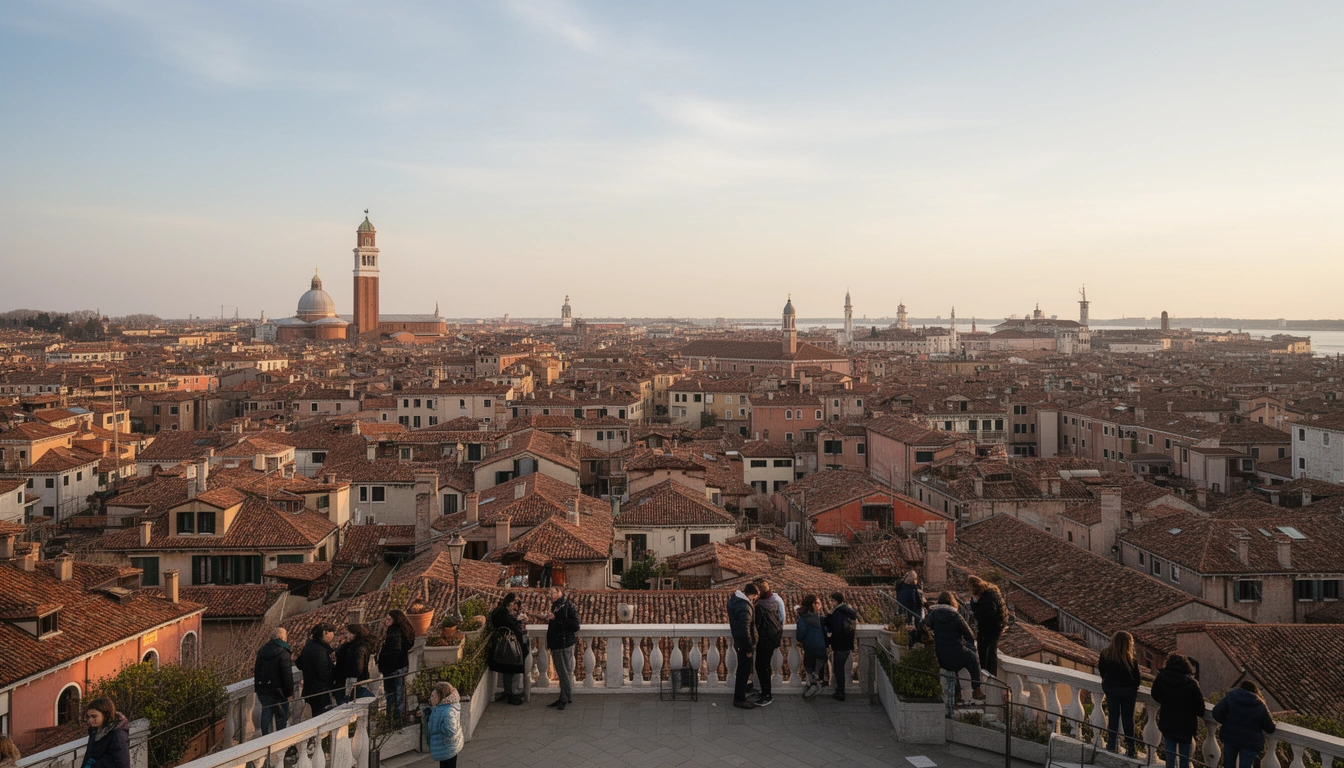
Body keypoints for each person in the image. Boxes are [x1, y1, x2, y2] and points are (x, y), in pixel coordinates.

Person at [922, 591, 985, 704]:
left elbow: (922, 627)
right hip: (956, 655)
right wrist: (968, 646)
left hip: (939, 656)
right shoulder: (956, 616)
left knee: (954, 666)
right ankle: (976, 690)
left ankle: (957, 694)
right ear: (952, 602)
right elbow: (970, 635)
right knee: (972, 658)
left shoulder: (933, 615)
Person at [1151, 654, 1206, 768]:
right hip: (1186, 726)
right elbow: (1201, 709)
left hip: (1168, 722)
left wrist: (1165, 700)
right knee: (1185, 760)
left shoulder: (1162, 677)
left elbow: (1155, 695)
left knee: (1170, 756)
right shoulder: (1191, 683)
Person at [1096, 631, 1140, 756]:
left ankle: (1111, 745)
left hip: (1111, 690)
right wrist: (1132, 688)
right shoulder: (1131, 660)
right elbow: (1137, 680)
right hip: (1127, 693)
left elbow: (1102, 671)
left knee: (1113, 718)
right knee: (1128, 720)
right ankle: (1131, 748)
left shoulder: (1105, 655)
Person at [1213, 681, 1276, 768]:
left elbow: (1216, 713)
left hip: (1230, 737)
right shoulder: (1259, 705)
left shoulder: (1230, 697)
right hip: (1249, 743)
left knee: (1228, 764)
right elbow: (1270, 728)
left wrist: (1227, 722)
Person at [542, 586, 580, 711]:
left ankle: (564, 699)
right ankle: (565, 697)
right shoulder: (556, 606)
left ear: (559, 593)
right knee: (563, 672)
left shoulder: (566, 606)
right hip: (557, 643)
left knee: (564, 672)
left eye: (553, 593)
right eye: (549, 593)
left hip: (564, 644)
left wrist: (556, 618)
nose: (550, 595)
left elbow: (575, 625)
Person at [487, 593, 528, 706]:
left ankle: (508, 691)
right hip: (511, 645)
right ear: (510, 603)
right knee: (514, 668)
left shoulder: (499, 613)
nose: (516, 606)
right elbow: (513, 628)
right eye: (515, 603)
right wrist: (519, 621)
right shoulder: (505, 615)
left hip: (502, 645)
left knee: (507, 669)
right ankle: (513, 693)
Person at [253, 627, 295, 735]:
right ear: (281, 637)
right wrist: (289, 692)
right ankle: (279, 742)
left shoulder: (262, 651)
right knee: (281, 717)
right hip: (279, 691)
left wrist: (258, 687)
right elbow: (287, 674)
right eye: (286, 635)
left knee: (266, 714)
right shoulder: (283, 652)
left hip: (264, 689)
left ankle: (265, 740)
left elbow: (257, 670)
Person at [377, 610, 415, 722]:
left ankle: (394, 719)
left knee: (393, 695)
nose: (385, 621)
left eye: (388, 619)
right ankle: (396, 717)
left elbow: (394, 651)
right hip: (400, 666)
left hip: (394, 668)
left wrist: (387, 666)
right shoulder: (403, 631)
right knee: (398, 693)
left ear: (395, 620)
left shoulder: (395, 633)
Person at [727, 582, 759, 710]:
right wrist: (748, 648)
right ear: (752, 595)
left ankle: (741, 692)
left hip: (739, 642)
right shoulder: (744, 607)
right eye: (756, 597)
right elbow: (744, 629)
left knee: (742, 670)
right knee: (743, 671)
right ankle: (739, 698)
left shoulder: (735, 601)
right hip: (744, 644)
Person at [296, 623, 339, 718]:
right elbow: (324, 673)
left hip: (309, 690)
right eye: (332, 633)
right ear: (325, 633)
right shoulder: (320, 650)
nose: (333, 636)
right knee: (322, 717)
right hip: (320, 691)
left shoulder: (308, 646)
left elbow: (299, 664)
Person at [752, 580, 784, 708]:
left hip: (765, 639)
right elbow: (782, 618)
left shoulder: (760, 606)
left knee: (761, 666)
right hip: (774, 637)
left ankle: (767, 695)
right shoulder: (775, 601)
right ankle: (765, 692)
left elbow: (756, 625)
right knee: (764, 666)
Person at [967, 576, 1006, 678]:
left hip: (990, 628)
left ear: (975, 587)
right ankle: (991, 675)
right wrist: (974, 603)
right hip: (997, 626)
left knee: (984, 651)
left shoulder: (988, 597)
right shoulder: (991, 592)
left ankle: (986, 674)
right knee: (991, 650)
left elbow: (987, 613)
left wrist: (976, 612)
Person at [824, 592, 857, 702]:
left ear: (836, 601)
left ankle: (840, 692)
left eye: (832, 600)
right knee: (840, 669)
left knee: (838, 670)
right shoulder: (849, 611)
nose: (831, 603)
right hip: (848, 644)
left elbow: (836, 629)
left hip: (840, 645)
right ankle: (840, 691)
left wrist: (829, 618)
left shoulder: (838, 613)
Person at [795, 594, 828, 700]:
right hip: (820, 647)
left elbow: (800, 634)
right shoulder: (818, 618)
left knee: (810, 667)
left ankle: (812, 686)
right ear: (813, 605)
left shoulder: (803, 618)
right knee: (816, 668)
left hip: (810, 647)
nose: (821, 605)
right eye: (818, 603)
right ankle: (815, 685)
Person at [82, 697, 130, 768]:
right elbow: (89, 756)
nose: (90, 720)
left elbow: (122, 764)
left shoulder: (117, 735)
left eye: (94, 716)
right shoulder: (95, 731)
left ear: (105, 714)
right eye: (89, 717)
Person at [425, 681, 464, 768]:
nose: (431, 698)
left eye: (433, 696)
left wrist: (438, 728)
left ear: (440, 697)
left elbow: (450, 730)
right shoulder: (443, 707)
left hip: (448, 746)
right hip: (447, 746)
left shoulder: (447, 711)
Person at [336, 623, 376, 703]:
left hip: (354, 684)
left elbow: (357, 669)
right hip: (346, 684)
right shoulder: (348, 647)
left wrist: (349, 689)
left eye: (349, 633)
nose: (346, 635)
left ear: (355, 634)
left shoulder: (358, 649)